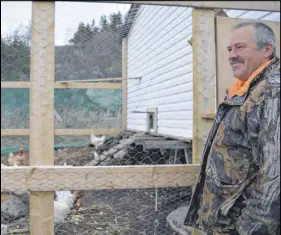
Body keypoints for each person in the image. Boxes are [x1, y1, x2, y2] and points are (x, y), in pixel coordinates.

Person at [184, 21, 280, 235]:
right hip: (227, 222)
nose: (231, 55)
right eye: (230, 49)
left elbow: (274, 178)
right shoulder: (248, 88)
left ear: (267, 50)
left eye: (240, 47)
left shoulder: (273, 93)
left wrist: (249, 229)